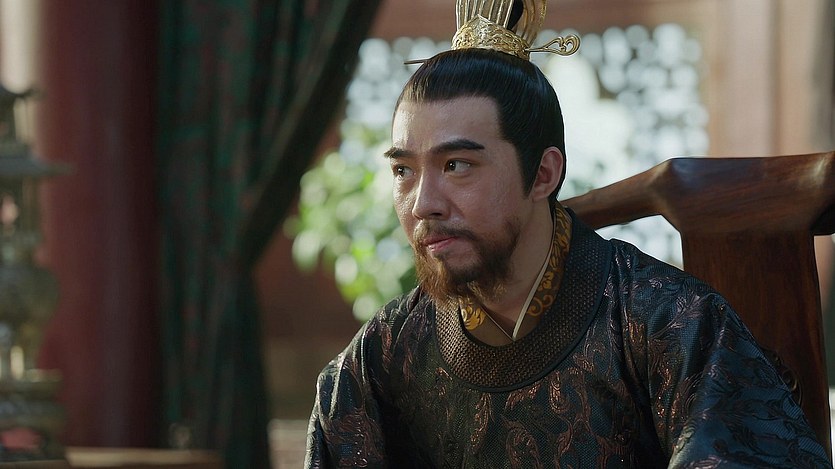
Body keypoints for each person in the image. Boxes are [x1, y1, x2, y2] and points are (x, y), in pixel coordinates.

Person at [305, 1, 831, 467]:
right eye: (403, 170)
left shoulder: (667, 324)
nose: (424, 204)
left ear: (543, 174)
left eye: (457, 165)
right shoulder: (379, 359)